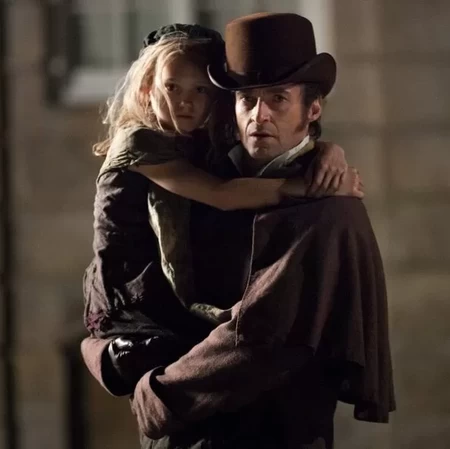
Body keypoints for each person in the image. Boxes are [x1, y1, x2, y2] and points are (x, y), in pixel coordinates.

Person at [82, 13, 394, 449]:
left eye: (278, 99)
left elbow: (258, 338)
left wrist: (156, 395)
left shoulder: (327, 208)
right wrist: (102, 352)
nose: (259, 115)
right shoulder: (211, 169)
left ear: (313, 109)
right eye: (247, 99)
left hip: (262, 430)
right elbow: (125, 275)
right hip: (184, 427)